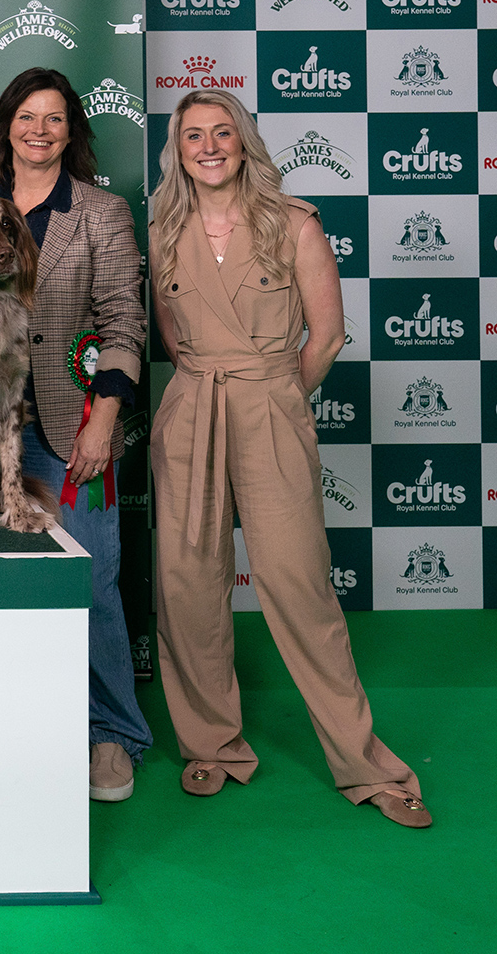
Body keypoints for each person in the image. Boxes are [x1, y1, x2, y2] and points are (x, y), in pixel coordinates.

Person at [150, 89, 429, 827]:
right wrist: (211, 387)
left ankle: (364, 764)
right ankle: (213, 743)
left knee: (299, 583)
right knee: (187, 584)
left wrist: (272, 395)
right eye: (193, 137)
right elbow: (171, 340)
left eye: (222, 134)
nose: (208, 147)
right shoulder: (162, 228)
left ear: (243, 142)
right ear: (177, 152)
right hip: (189, 409)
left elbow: (328, 337)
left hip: (269, 402)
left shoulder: (294, 223)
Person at [0, 67, 151, 802]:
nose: (40, 130)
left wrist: (104, 418)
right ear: (6, 125)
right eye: (27, 117)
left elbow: (125, 323)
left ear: (73, 131)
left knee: (92, 576)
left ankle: (112, 735)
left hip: (70, 428)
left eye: (55, 119)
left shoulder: (100, 212)